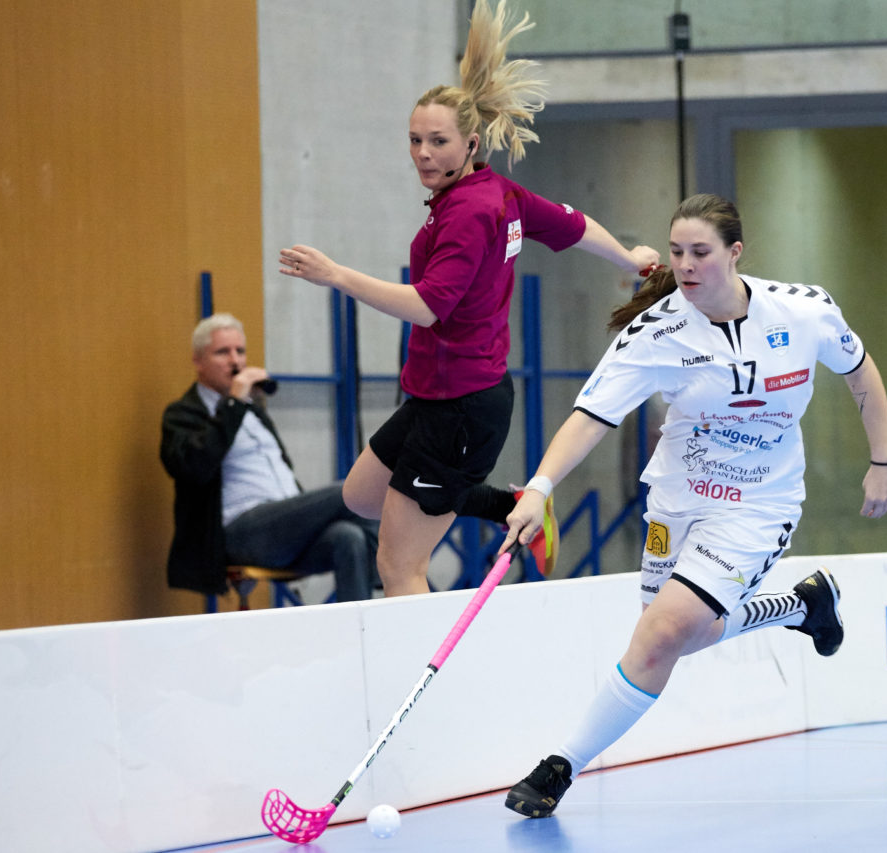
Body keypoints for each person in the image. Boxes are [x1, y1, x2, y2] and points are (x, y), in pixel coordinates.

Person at [500, 193, 887, 817]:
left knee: (661, 635)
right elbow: (590, 419)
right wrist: (539, 489)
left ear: (735, 253)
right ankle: (801, 605)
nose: (685, 266)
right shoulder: (655, 331)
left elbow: (860, 371)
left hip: (758, 505)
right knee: (677, 637)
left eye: (701, 254)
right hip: (677, 499)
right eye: (678, 253)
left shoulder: (802, 311)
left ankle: (559, 768)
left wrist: (884, 461)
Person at [278, 0, 659, 597]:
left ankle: (426, 685)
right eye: (415, 141)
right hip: (434, 396)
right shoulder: (496, 194)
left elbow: (428, 307)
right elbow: (572, 223)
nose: (424, 153)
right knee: (361, 495)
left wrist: (337, 275)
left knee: (398, 566)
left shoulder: (472, 212)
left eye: (437, 142)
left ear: (471, 143)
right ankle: (510, 503)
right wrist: (628, 256)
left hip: (462, 408)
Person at [160, 313, 379, 603]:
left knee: (348, 537)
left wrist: (242, 404)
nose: (235, 361)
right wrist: (233, 403)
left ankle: (362, 633)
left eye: (240, 351)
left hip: (286, 529)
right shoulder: (183, 414)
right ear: (198, 361)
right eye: (222, 352)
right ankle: (403, 578)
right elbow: (194, 467)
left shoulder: (253, 410)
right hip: (241, 533)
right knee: (349, 491)